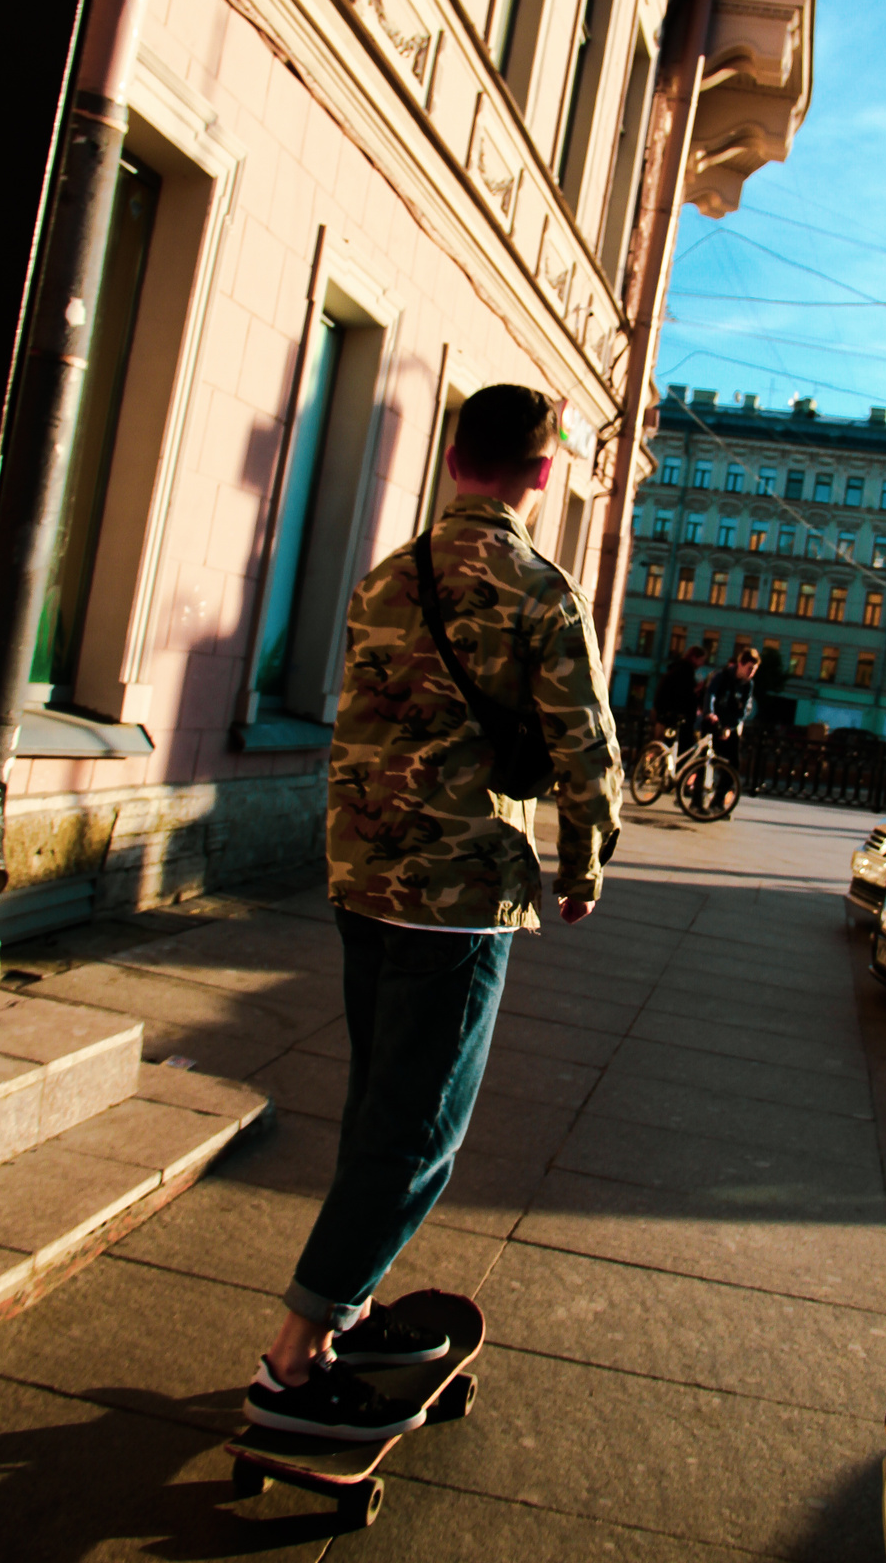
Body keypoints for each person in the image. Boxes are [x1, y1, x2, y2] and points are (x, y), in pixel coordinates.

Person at [244, 385, 622, 1442]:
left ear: (455, 458)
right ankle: (292, 1365)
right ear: (542, 473)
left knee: (379, 1107)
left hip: (360, 875)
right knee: (417, 1134)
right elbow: (588, 752)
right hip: (454, 897)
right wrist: (583, 867)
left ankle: (353, 1308)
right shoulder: (540, 590)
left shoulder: (386, 575)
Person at [702, 645, 760, 768]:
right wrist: (710, 713)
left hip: (729, 725)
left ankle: (725, 781)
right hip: (715, 721)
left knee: (733, 764)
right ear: (740, 664)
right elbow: (710, 694)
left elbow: (744, 709)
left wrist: (731, 726)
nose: (751, 673)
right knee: (705, 759)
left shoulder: (748, 684)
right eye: (750, 668)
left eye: (754, 670)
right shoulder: (722, 675)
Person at [653, 644, 707, 748]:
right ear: (694, 658)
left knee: (668, 746)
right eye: (701, 660)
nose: (702, 664)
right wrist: (696, 690)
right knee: (680, 747)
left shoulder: (678, 669)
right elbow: (682, 694)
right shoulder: (685, 672)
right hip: (676, 718)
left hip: (668, 716)